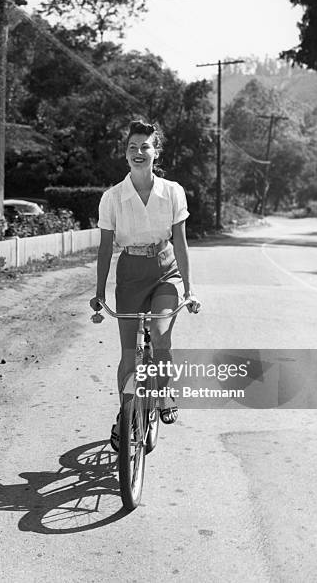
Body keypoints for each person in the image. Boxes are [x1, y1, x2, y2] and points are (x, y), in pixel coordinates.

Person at [89, 119, 201, 451]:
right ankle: (126, 415)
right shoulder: (112, 198)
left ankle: (163, 393)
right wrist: (98, 293)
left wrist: (190, 288)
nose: (139, 153)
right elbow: (106, 248)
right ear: (126, 154)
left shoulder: (172, 192)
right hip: (130, 275)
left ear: (156, 152)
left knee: (161, 335)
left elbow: (180, 243)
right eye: (132, 147)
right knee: (128, 353)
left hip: (165, 272)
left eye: (145, 146)